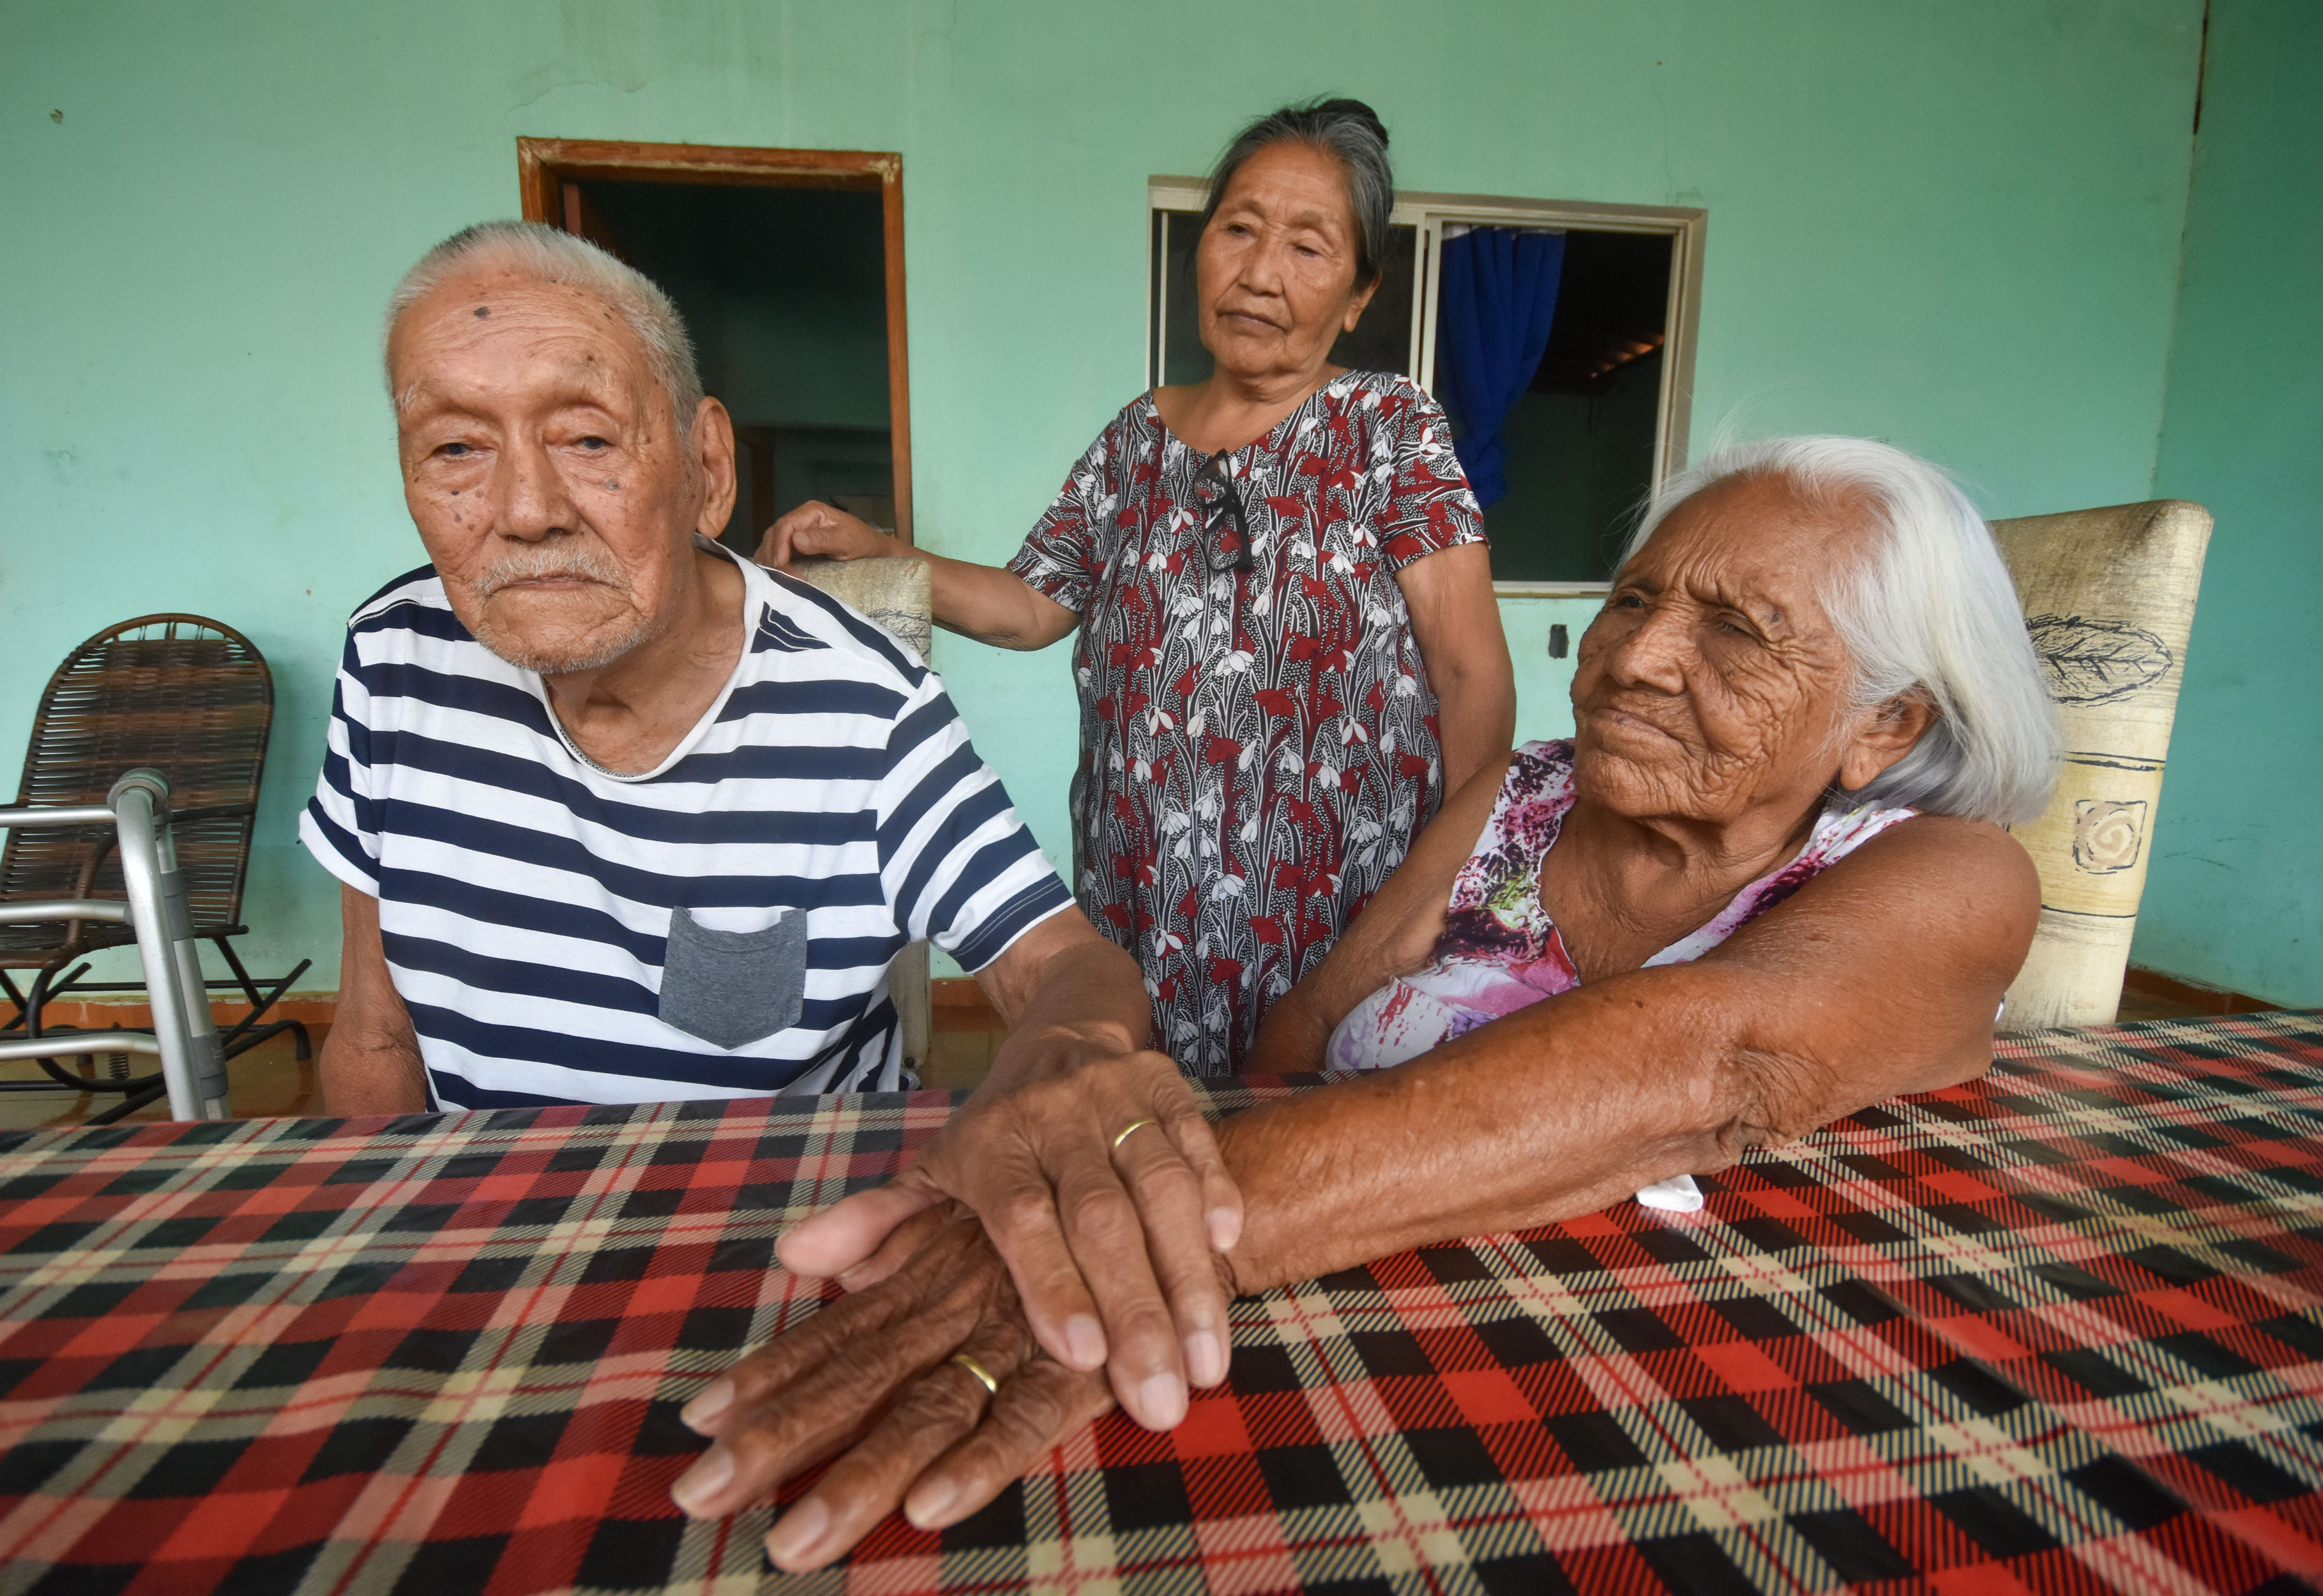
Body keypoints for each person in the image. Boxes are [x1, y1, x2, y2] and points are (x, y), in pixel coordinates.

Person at [672, 435, 2064, 1570]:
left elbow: (1710, 1055)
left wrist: (1140, 1241)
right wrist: (1132, 1209)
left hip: (1676, 1430)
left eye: (1739, 632)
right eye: (1636, 600)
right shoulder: (1519, 798)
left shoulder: (1951, 879)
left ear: (1888, 725)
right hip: (1309, 1308)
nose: (1633, 658)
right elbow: (1294, 1038)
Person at [299, 222, 1247, 1431]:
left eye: (588, 438)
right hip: (485, 1255)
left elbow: (1066, 964)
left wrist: (1063, 1069)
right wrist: (384, 1299)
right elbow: (373, 1034)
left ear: (707, 465)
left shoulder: (859, 701)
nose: (524, 511)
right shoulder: (395, 659)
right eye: (454, 449)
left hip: (774, 1268)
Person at [757, 100, 1517, 1073]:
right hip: (1145, 899)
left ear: (1360, 294)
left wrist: (1447, 893)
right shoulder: (1135, 441)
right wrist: (882, 549)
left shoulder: (1390, 430)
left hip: (1340, 914)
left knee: (1317, 1149)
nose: (1260, 274)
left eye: (1308, 247)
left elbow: (1471, 677)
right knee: (1149, 1152)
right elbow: (1031, 606)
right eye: (1238, 229)